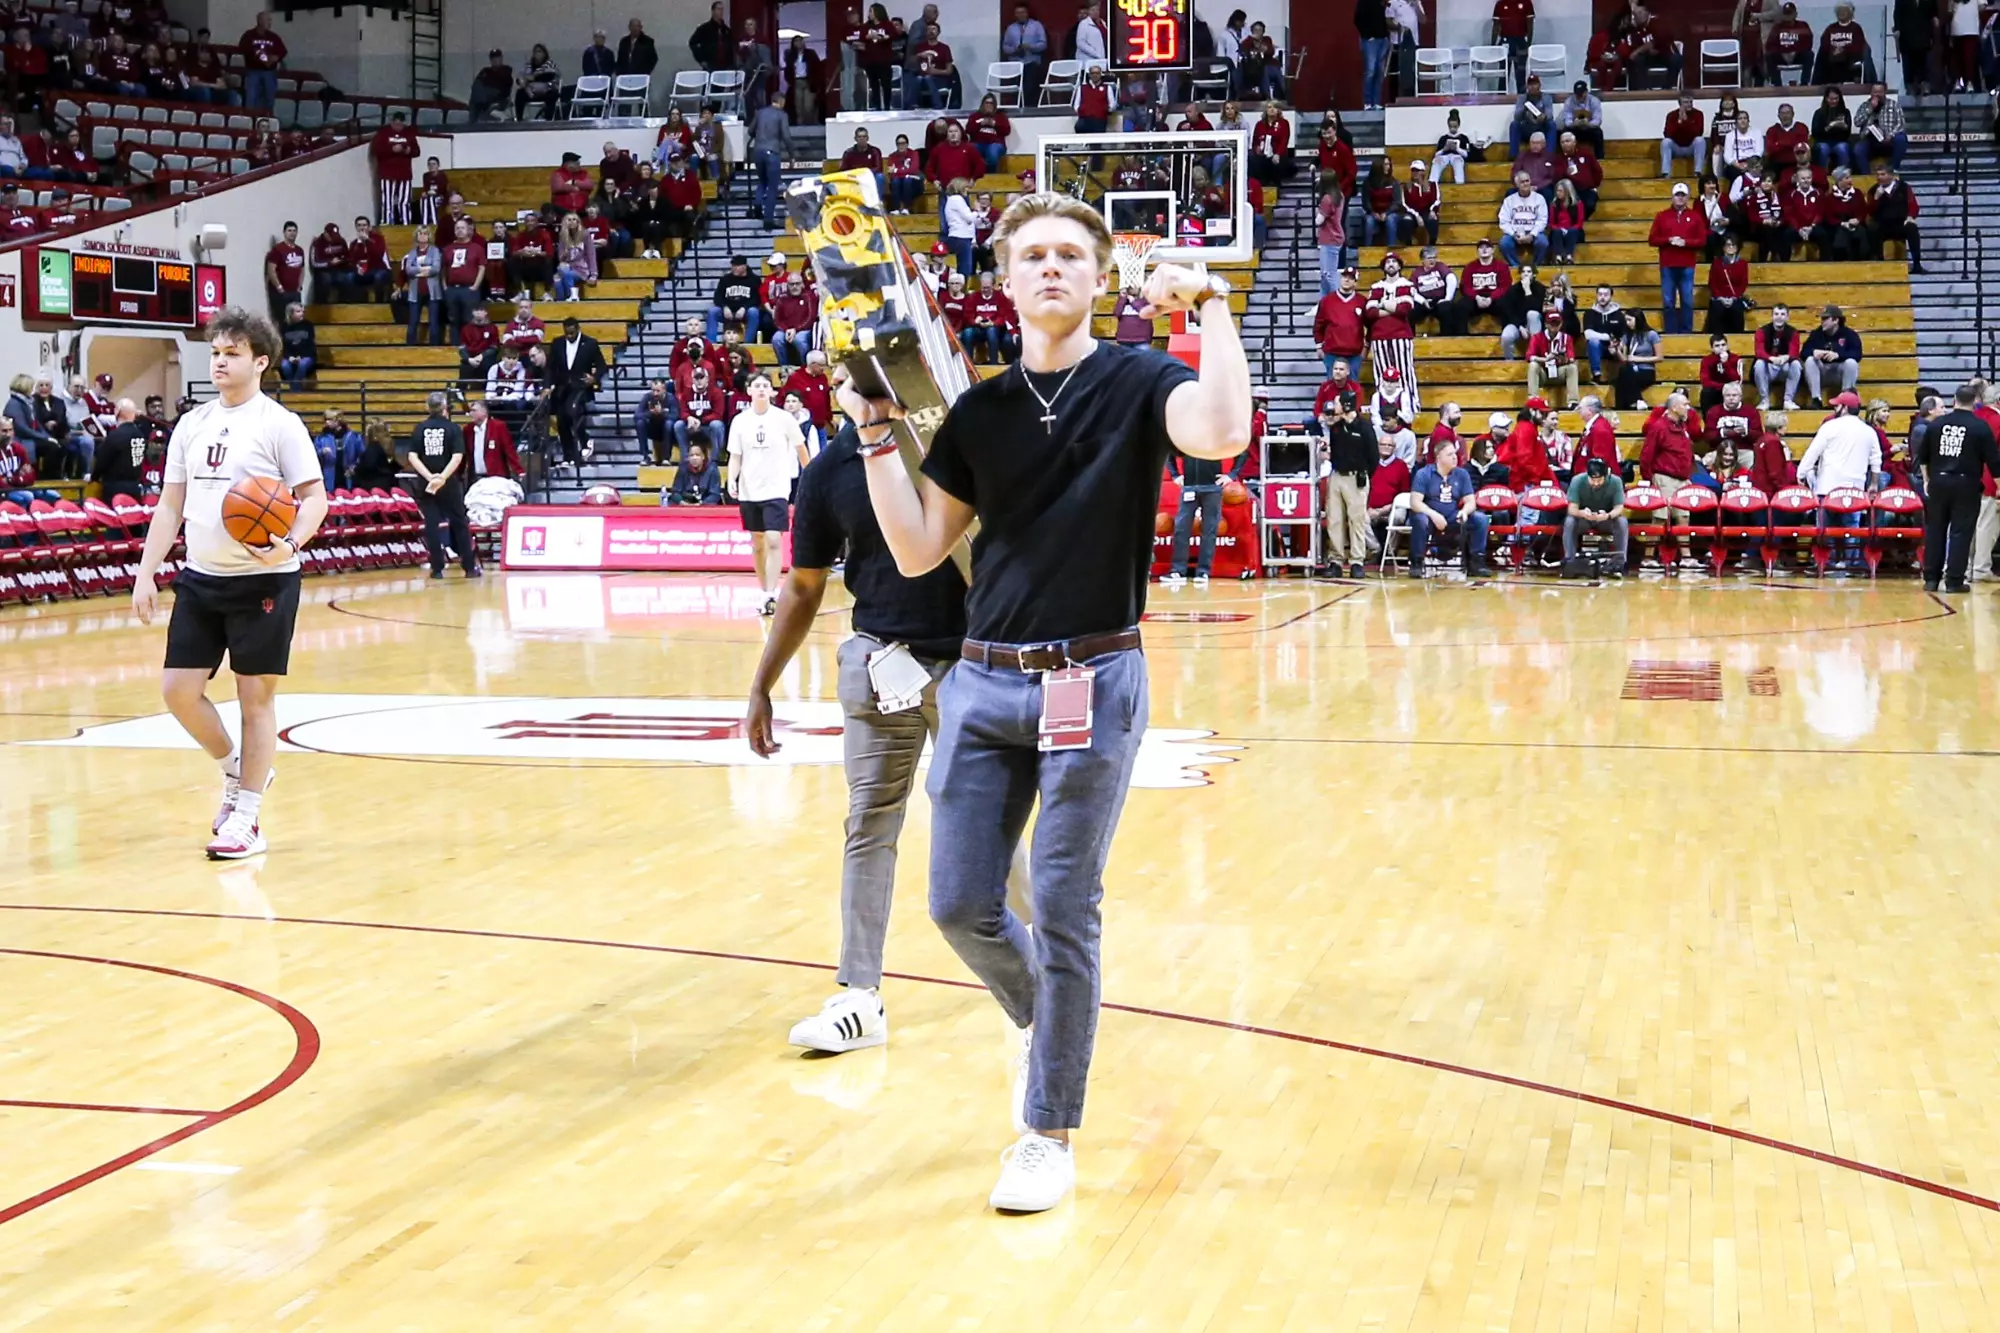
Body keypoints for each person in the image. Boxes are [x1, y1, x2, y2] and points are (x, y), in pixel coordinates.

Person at [836, 190, 1248, 1214]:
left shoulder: (1141, 378)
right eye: (1035, 255)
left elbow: (1222, 432)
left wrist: (1209, 307)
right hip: (982, 682)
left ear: (1101, 278)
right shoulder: (976, 411)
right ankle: (1042, 1017)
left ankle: (1046, 1128)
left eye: (1072, 254)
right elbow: (920, 548)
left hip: (1093, 679)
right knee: (957, 902)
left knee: (1063, 904)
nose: (1053, 268)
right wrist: (875, 436)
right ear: (1007, 280)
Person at [129, 307, 327, 860]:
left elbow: (315, 499)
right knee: (177, 691)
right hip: (201, 578)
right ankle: (239, 772)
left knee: (254, 700)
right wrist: (146, 571)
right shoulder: (191, 424)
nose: (219, 361)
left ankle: (247, 818)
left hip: (265, 580)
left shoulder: (279, 424)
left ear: (260, 362)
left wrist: (289, 544)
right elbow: (171, 506)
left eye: (232, 353)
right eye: (215, 352)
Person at [727, 372, 809, 616]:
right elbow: (735, 456)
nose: (762, 389)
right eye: (757, 385)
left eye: (766, 385)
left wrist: (812, 474)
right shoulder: (740, 421)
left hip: (776, 489)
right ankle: (764, 590)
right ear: (749, 390)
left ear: (772, 391)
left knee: (774, 539)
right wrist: (732, 478)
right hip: (749, 491)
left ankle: (771, 593)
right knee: (758, 543)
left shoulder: (783, 418)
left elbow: (800, 447)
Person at [1918, 384, 2000, 591]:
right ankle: (1954, 580)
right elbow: (1994, 462)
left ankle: (1931, 579)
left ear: (1954, 399)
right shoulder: (1979, 427)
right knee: (1960, 532)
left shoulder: (1936, 425)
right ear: (1975, 402)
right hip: (1966, 483)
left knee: (1935, 530)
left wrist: (1927, 480)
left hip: (1938, 481)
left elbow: (1923, 456)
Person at [1797, 390, 1880, 569]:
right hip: (1855, 489)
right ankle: (1851, 564)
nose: (1835, 407)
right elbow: (1876, 461)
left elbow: (1812, 453)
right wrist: (1873, 484)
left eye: (1837, 404)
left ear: (1844, 408)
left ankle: (1826, 562)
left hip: (1827, 488)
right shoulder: (1868, 431)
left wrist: (1801, 474)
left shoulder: (1830, 427)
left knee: (1825, 529)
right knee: (1852, 529)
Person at [404, 391, 480, 581]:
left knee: (431, 524)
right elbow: (457, 457)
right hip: (449, 484)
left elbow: (412, 456)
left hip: (426, 484)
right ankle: (469, 567)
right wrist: (443, 478)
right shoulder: (453, 429)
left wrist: (430, 477)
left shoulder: (420, 428)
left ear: (427, 408)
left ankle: (437, 568)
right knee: (459, 523)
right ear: (445, 408)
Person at [1316, 389, 1379, 579]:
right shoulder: (1336, 427)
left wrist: (1364, 475)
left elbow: (1373, 457)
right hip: (1337, 476)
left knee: (1357, 520)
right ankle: (1335, 560)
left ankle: (1357, 561)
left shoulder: (1364, 428)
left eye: (1337, 402)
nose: (1334, 406)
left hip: (1356, 478)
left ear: (1346, 405)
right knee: (1334, 519)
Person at [1407, 439, 1491, 576]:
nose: (1454, 457)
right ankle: (1416, 562)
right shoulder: (1424, 474)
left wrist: (1464, 511)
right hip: (1429, 517)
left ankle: (1476, 562)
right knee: (1420, 520)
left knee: (1480, 519)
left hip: (1452, 516)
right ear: (1438, 457)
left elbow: (1471, 501)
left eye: (1455, 454)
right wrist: (1434, 515)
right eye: (1450, 454)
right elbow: (1415, 503)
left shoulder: (1462, 474)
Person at [1650, 182, 1708, 335]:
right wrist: (1668, 240)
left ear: (1687, 197)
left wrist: (1685, 242)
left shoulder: (1695, 216)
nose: (1680, 198)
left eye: (1683, 195)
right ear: (1672, 197)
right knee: (1668, 302)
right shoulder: (1662, 216)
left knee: (1687, 301)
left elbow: (1702, 240)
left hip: (1687, 264)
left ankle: (1686, 332)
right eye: (1677, 195)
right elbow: (1652, 239)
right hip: (1668, 265)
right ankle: (1671, 332)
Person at [548, 317, 607, 466]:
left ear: (578, 329)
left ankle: (585, 441)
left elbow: (602, 366)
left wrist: (594, 379)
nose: (569, 336)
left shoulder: (590, 343)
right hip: (562, 389)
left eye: (572, 333)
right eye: (567, 333)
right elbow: (550, 367)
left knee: (572, 412)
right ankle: (568, 457)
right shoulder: (557, 343)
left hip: (580, 387)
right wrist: (546, 386)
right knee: (561, 420)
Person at [1366, 254, 1420, 411]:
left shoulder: (1407, 285)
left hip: (1401, 335)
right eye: (1388, 262)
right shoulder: (1376, 287)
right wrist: (1392, 307)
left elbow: (1405, 310)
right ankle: (1382, 407)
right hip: (1379, 336)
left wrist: (1381, 305)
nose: (1390, 264)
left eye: (1394, 262)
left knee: (1405, 372)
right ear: (1383, 267)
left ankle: (1411, 405)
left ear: (1399, 266)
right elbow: (1369, 313)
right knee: (1381, 374)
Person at [1641, 391, 1699, 524]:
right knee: (1660, 519)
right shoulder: (1659, 427)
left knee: (1684, 518)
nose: (1688, 408)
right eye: (1685, 405)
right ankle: (1651, 545)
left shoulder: (1683, 426)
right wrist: (1650, 480)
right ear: (1674, 407)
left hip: (1683, 479)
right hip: (1665, 479)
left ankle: (1685, 546)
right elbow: (1646, 455)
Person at [1564, 453, 1628, 568]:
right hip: (1584, 519)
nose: (1596, 483)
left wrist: (1607, 515)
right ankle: (1570, 560)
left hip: (1605, 519)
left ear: (1606, 475)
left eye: (1599, 480)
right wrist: (1581, 513)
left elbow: (1619, 508)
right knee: (1570, 521)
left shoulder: (1616, 481)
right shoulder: (1577, 480)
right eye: (1592, 480)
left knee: (1622, 522)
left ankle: (1619, 562)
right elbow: (1571, 509)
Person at [1868, 161, 1925, 274]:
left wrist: (1910, 216)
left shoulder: (1904, 187)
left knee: (1912, 228)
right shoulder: (1873, 190)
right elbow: (1870, 211)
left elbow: (1913, 205)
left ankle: (1917, 264)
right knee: (1872, 228)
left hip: (1901, 224)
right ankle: (1879, 264)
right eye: (1878, 175)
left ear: (1891, 175)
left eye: (1883, 174)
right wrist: (1876, 198)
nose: (1879, 177)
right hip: (1883, 225)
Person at [1803, 304, 1862, 405]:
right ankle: (1816, 399)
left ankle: (1846, 398)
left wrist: (1838, 355)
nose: (1822, 321)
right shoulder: (1816, 334)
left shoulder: (1849, 334)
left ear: (1836, 320)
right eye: (1822, 318)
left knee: (1851, 363)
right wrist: (1814, 352)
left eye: (1826, 318)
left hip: (1839, 372)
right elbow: (1803, 352)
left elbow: (1857, 354)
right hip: (1823, 372)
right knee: (1809, 361)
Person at [1313, 267, 1366, 379]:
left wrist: (1366, 347)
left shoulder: (1362, 301)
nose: (1347, 280)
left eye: (1351, 278)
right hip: (1332, 352)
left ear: (1355, 282)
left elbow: (1370, 325)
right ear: (1340, 279)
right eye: (1344, 277)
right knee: (1332, 388)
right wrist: (1318, 345)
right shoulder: (1327, 301)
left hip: (1354, 354)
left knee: (1352, 389)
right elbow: (1318, 325)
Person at [371, 110, 420, 225]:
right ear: (392, 122)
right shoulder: (383, 133)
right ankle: (387, 222)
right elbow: (375, 150)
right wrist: (391, 150)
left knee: (405, 201)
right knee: (387, 200)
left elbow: (417, 151)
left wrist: (408, 151)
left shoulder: (409, 133)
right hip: (387, 173)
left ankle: (406, 222)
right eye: (396, 124)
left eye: (400, 124)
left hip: (405, 173)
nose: (398, 127)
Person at [1526, 308, 1580, 406]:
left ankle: (1573, 402)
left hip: (1559, 371)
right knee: (1533, 365)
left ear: (1561, 324)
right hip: (1544, 372)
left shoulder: (1566, 338)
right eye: (1552, 323)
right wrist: (1546, 359)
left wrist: (1562, 359)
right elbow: (1529, 356)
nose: (1554, 326)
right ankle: (1533, 400)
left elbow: (1571, 358)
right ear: (1546, 324)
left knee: (1572, 367)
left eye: (1557, 323)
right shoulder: (1537, 337)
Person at [1497, 171, 1549, 268]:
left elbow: (1542, 220)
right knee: (1504, 243)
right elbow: (1504, 221)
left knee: (1543, 242)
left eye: (1527, 181)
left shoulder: (1539, 199)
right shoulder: (1509, 200)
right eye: (1522, 182)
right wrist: (1513, 234)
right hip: (1515, 232)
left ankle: (1535, 267)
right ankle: (1516, 267)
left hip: (1533, 231)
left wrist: (1532, 234)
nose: (1526, 184)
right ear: (1517, 184)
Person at [1002, 2, 1049, 106]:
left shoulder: (1037, 25)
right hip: (1015, 64)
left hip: (1032, 62)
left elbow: (1043, 44)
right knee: (1016, 88)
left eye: (1022, 12)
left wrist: (1031, 47)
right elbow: (1005, 47)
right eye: (1018, 13)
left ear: (1027, 13)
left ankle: (1030, 108)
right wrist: (1014, 49)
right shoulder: (1011, 28)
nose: (1020, 15)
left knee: (1030, 86)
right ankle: (1016, 107)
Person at [238, 10, 286, 109]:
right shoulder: (249, 35)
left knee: (269, 98)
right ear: (260, 21)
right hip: (253, 71)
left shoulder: (274, 37)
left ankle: (267, 118)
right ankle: (250, 119)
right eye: (267, 20)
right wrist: (263, 58)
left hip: (270, 72)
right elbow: (244, 49)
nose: (270, 23)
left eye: (270, 20)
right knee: (251, 98)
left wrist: (275, 58)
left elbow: (282, 51)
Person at [708, 254, 762, 342]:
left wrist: (744, 308)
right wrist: (724, 307)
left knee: (754, 312)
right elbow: (717, 297)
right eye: (733, 266)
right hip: (727, 311)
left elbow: (757, 299)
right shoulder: (725, 279)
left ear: (744, 266)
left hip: (745, 312)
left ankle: (747, 344)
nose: (734, 268)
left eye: (737, 266)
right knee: (712, 312)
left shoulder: (754, 280)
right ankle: (711, 344)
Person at [465, 399, 521, 482]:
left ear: (484, 412)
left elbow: (509, 449)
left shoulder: (498, 426)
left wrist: (518, 470)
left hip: (496, 478)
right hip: (475, 478)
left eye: (474, 411)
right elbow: (465, 454)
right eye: (470, 411)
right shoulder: (468, 430)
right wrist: (460, 473)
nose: (470, 414)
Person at [1706, 235, 1751, 335]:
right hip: (1719, 298)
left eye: (1733, 245)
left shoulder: (1743, 264)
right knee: (1717, 308)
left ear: (1738, 247)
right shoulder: (1716, 263)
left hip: (1734, 297)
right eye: (1728, 245)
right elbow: (1712, 283)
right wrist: (1720, 297)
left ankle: (1737, 338)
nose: (1731, 247)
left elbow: (1743, 283)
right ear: (1723, 248)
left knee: (1736, 309)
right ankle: (1716, 338)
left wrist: (1733, 298)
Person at [263, 220, 304, 323]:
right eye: (289, 230)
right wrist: (279, 287)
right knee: (282, 320)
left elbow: (302, 269)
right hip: (281, 292)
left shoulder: (300, 250)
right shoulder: (277, 249)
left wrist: (299, 286)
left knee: (297, 318)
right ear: (284, 232)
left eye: (294, 231)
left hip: (295, 291)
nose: (292, 233)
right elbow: (271, 270)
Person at [1661, 94, 1707, 178]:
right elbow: (1667, 133)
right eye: (1686, 102)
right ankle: (1666, 173)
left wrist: (1686, 122)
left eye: (1691, 102)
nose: (1689, 104)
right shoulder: (1671, 115)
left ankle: (1698, 172)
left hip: (1691, 147)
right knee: (1665, 142)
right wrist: (1679, 122)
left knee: (1700, 140)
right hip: (1676, 148)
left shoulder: (1698, 114)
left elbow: (1698, 132)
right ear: (1680, 104)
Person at [1509, 74, 1553, 158]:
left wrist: (1544, 117)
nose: (1532, 87)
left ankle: (1550, 155)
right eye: (1530, 85)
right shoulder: (1522, 98)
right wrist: (1524, 108)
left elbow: (1550, 115)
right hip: (1527, 128)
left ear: (1539, 85)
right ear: (1527, 86)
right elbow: (1516, 117)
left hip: (1541, 127)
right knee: (1514, 125)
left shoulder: (1546, 97)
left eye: (1535, 84)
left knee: (1551, 125)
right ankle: (1514, 156)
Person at [667, 440, 724, 505]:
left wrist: (701, 503)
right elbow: (676, 492)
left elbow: (714, 494)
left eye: (697, 455)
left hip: (705, 504)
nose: (694, 458)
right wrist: (682, 502)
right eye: (691, 455)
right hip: (685, 503)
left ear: (703, 456)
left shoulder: (712, 469)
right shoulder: (683, 468)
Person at [1558, 80, 1605, 157]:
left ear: (1586, 92)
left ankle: (1600, 159)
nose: (1579, 97)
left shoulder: (1594, 101)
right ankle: (1565, 158)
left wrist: (1588, 124)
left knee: (1598, 133)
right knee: (1564, 133)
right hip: (1575, 128)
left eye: (1581, 94)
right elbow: (1567, 121)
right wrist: (1574, 124)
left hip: (1589, 128)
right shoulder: (1569, 102)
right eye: (1577, 95)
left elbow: (1598, 120)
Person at [277, 303, 315, 390]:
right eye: (298, 311)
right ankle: (295, 388)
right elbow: (284, 346)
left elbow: (310, 344)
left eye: (302, 311)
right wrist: (290, 357)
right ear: (290, 314)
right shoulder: (284, 327)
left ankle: (294, 390)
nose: (302, 313)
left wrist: (300, 357)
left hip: (307, 355)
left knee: (302, 364)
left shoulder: (308, 325)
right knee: (285, 366)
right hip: (290, 356)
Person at [469, 48, 513, 121]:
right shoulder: (486, 71)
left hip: (499, 98)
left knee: (482, 100)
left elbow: (506, 89)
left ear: (501, 58)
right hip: (484, 97)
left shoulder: (506, 70)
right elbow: (477, 84)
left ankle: (477, 118)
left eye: (497, 57)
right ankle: (472, 123)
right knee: (475, 97)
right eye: (493, 58)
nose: (495, 60)